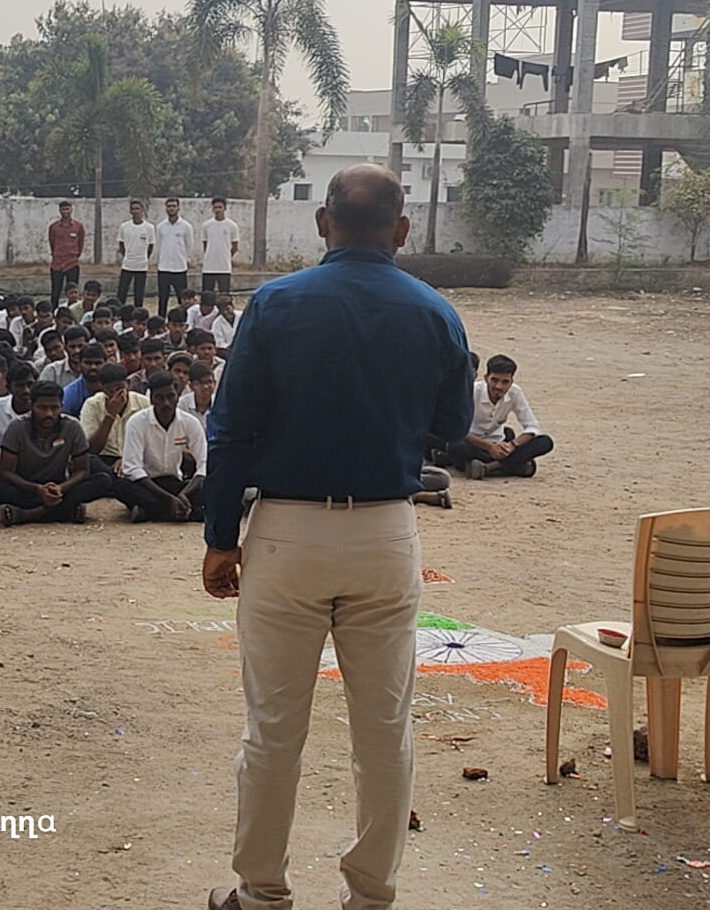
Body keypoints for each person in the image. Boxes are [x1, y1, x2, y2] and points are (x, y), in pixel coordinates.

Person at [202, 164, 473, 910]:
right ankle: (371, 895)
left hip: (286, 533)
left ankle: (262, 892)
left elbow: (230, 431)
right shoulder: (436, 312)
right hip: (386, 532)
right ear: (402, 229)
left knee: (273, 728)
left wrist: (221, 536)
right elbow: (453, 428)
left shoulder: (276, 303)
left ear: (323, 224)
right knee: (384, 729)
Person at [0, 381, 113, 525]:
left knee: (103, 480)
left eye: (54, 408)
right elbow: (5, 471)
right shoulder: (17, 427)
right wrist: (37, 489)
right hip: (27, 487)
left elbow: (82, 470)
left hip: (60, 487)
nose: (49, 414)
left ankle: (31, 514)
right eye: (42, 408)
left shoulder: (72, 426)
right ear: (31, 406)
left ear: (61, 407)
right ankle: (65, 512)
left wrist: (60, 488)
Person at [114, 371, 207, 523]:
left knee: (211, 487)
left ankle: (151, 512)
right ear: (151, 399)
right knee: (121, 487)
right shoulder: (137, 422)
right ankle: (187, 512)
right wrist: (169, 499)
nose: (166, 403)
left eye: (170, 396)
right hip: (146, 484)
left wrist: (183, 494)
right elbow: (132, 468)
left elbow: (204, 464)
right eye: (159, 397)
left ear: (177, 397)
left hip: (175, 483)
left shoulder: (190, 422)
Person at [444, 354, 554, 479]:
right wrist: (489, 447)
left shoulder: (515, 392)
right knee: (455, 447)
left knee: (545, 442)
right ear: (486, 378)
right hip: (474, 444)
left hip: (500, 444)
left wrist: (512, 445)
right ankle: (512, 464)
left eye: (505, 382)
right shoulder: (472, 392)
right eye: (494, 380)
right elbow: (458, 428)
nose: (499, 386)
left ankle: (490, 467)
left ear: (511, 382)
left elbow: (532, 426)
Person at [79, 362, 149, 477]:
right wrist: (110, 414)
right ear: (102, 389)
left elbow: (150, 442)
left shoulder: (143, 403)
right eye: (109, 390)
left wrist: (126, 459)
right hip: (104, 459)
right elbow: (92, 449)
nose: (115, 394)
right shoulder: (92, 404)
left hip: (136, 457)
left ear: (128, 384)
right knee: (90, 460)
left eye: (119, 388)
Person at [116, 198, 155, 308]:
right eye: (133, 209)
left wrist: (144, 258)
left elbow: (151, 246)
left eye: (138, 208)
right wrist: (127, 256)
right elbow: (121, 244)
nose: (135, 211)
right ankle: (119, 312)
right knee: (122, 292)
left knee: (139, 293)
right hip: (127, 264)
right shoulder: (124, 227)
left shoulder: (149, 227)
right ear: (130, 211)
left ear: (142, 210)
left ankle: (138, 313)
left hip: (142, 265)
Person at [48, 200, 86, 308]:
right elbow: (52, 242)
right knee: (56, 290)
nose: (65, 211)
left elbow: (80, 243)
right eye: (63, 209)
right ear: (59, 211)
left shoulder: (78, 226)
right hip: (57, 263)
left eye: (67, 209)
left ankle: (73, 310)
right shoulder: (53, 227)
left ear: (71, 210)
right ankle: (53, 311)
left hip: (72, 262)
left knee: (73, 291)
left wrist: (75, 255)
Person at [201, 196, 241, 294]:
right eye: (215, 207)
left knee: (224, 295)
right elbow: (205, 244)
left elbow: (235, 246)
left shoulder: (232, 226)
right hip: (208, 268)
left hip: (224, 268)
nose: (218, 210)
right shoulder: (206, 225)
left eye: (220, 207)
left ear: (225, 208)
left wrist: (227, 256)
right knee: (207, 295)